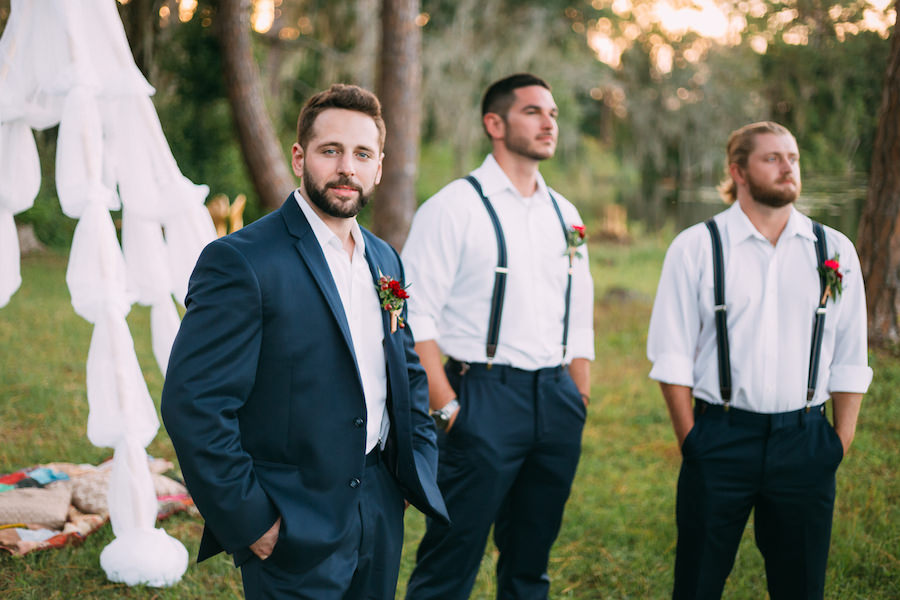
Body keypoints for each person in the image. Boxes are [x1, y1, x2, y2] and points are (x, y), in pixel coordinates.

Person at [160, 83, 448, 600]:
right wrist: (252, 522)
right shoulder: (241, 260)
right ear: (300, 157)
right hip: (290, 516)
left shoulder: (386, 260)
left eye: (362, 154)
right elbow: (194, 404)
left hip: (379, 507)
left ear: (379, 166)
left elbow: (407, 373)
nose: (347, 168)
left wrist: (411, 470)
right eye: (330, 151)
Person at [647, 121, 873, 599]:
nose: (788, 166)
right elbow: (671, 356)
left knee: (801, 587)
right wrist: (694, 440)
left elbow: (850, 355)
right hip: (720, 440)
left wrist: (838, 442)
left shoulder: (835, 250)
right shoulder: (696, 248)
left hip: (806, 441)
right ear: (739, 171)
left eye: (792, 157)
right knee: (697, 582)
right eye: (772, 158)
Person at [402, 73, 595, 600]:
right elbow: (412, 315)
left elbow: (578, 312)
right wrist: (446, 408)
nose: (548, 122)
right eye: (534, 111)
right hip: (480, 398)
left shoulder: (566, 214)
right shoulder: (453, 207)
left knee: (531, 560)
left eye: (553, 113)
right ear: (495, 123)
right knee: (451, 556)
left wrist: (577, 393)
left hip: (555, 401)